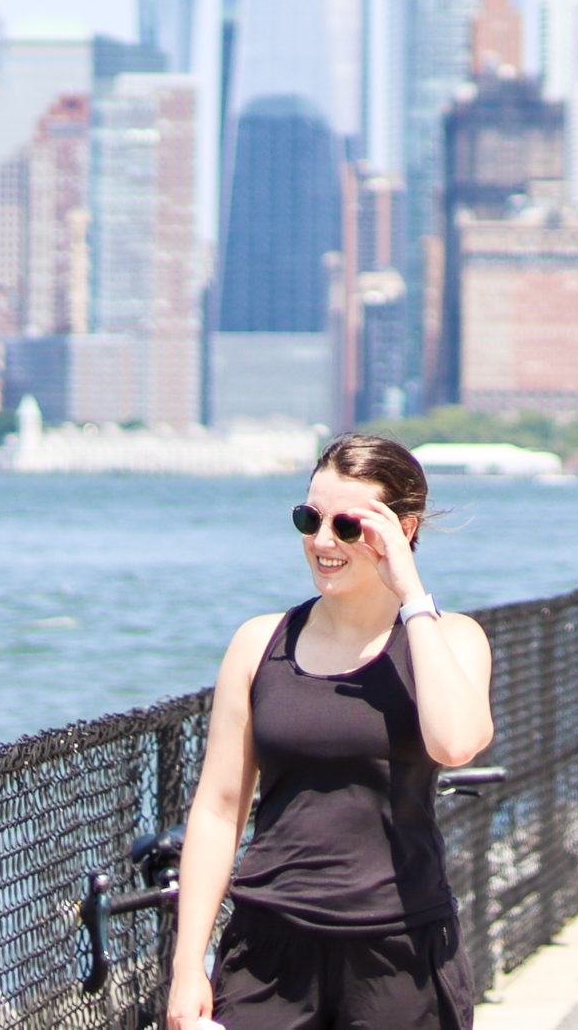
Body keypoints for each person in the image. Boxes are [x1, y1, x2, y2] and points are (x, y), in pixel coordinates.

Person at [168, 433, 495, 1030]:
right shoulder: (258, 643)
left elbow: (456, 743)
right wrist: (189, 965)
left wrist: (412, 595)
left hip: (400, 952)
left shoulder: (451, 639)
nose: (323, 542)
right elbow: (218, 810)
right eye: (309, 518)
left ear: (406, 528)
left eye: (348, 526)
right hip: (268, 949)